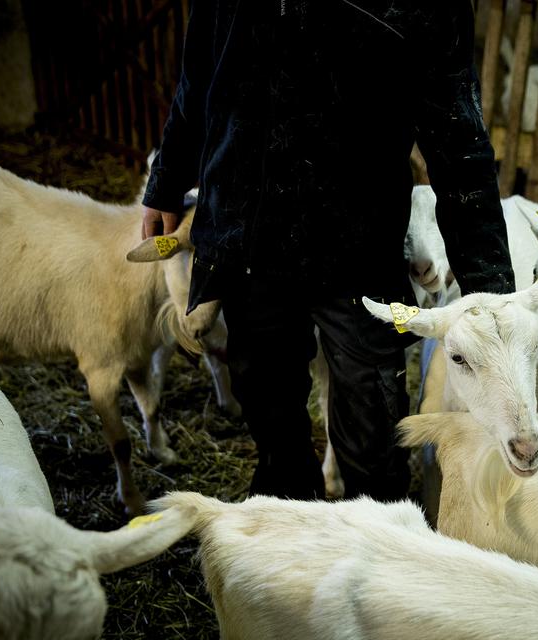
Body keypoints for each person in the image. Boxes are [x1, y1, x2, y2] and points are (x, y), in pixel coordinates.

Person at [141, 1, 514, 501]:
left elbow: (457, 135)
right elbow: (201, 73)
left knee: (374, 441)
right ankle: (292, 540)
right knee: (272, 425)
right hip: (250, 229)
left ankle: (376, 542)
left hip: (359, 246)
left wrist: (491, 288)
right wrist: (167, 178)